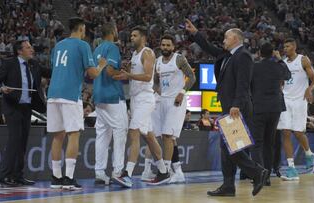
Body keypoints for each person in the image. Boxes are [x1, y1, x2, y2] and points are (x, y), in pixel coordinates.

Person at [185, 19, 268, 196]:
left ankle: (257, 172)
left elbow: (244, 83)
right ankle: (229, 186)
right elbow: (209, 47)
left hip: (237, 107)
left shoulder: (243, 55)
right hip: (229, 106)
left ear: (236, 39)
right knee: (229, 147)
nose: (223, 40)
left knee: (229, 147)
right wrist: (195, 33)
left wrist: (236, 104)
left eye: (226, 37)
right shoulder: (226, 55)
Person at [47, 17, 107, 190]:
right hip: (70, 94)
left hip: (53, 94)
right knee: (74, 134)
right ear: (81, 29)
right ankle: (68, 178)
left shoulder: (58, 45)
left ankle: (56, 178)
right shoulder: (83, 45)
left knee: (58, 136)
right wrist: (102, 65)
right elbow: (93, 73)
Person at [112, 26, 170, 187]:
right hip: (136, 99)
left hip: (145, 99)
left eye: (134, 35)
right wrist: (123, 71)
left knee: (134, 132)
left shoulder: (147, 52)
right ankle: (163, 171)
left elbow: (147, 76)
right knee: (149, 137)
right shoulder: (135, 54)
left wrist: (128, 75)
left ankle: (127, 174)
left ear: (143, 38)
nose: (131, 37)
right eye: (131, 35)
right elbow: (133, 75)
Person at [0, 40, 51, 186]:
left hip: (27, 107)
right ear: (19, 51)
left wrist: (65, 65)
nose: (32, 50)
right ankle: (5, 176)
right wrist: (2, 89)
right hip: (12, 106)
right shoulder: (9, 63)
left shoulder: (34, 64)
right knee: (14, 140)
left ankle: (18, 175)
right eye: (28, 47)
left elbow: (50, 72)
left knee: (22, 142)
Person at [143, 34, 196, 184]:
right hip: (162, 101)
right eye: (163, 45)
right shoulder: (158, 62)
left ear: (173, 46)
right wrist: (157, 91)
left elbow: (192, 77)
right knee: (167, 137)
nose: (165, 48)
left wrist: (182, 92)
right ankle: (177, 171)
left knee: (167, 136)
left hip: (176, 101)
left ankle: (165, 171)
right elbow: (155, 82)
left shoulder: (179, 59)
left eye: (168, 45)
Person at [250, 42, 291, 186]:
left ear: (260, 53)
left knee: (257, 144)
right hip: (275, 108)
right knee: (269, 143)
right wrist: (279, 59)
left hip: (259, 107)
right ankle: (267, 176)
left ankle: (259, 176)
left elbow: (249, 85)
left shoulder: (254, 66)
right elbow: (288, 75)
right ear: (273, 53)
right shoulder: (279, 66)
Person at [277, 38, 314, 181]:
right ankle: (291, 168)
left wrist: (309, 90)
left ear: (294, 47)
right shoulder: (282, 62)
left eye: (287, 46)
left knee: (298, 132)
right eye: (284, 46)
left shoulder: (303, 60)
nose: (285, 48)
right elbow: (281, 82)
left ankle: (308, 153)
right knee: (286, 132)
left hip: (300, 100)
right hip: (286, 100)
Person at [92, 23, 128, 185]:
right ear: (113, 32)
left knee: (102, 134)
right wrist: (125, 73)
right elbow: (110, 71)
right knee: (120, 132)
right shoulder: (112, 47)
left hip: (98, 96)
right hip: (113, 96)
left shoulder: (96, 49)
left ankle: (99, 172)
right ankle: (117, 172)